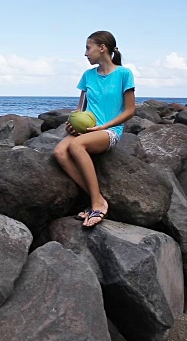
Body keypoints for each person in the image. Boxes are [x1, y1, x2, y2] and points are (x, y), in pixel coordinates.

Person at [53, 30, 136, 228]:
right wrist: (73, 126)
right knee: (59, 152)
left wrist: (104, 126)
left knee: (77, 147)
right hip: (87, 131)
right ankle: (97, 198)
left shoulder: (124, 74)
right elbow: (79, 109)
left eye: (88, 48)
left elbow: (130, 110)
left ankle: (97, 204)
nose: (85, 53)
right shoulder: (88, 76)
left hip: (109, 131)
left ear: (102, 48)